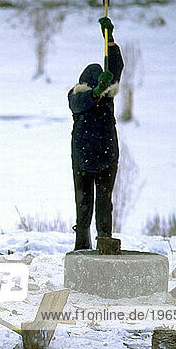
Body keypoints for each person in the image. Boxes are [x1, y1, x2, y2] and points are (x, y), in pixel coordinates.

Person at [68, 17, 124, 250]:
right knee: (83, 204)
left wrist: (109, 39)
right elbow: (81, 102)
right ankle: (82, 244)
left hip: (106, 159)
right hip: (83, 160)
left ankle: (104, 242)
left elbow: (115, 66)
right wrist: (96, 91)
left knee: (104, 203)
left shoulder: (108, 98)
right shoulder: (77, 96)